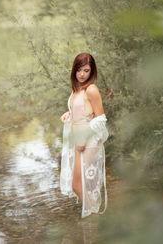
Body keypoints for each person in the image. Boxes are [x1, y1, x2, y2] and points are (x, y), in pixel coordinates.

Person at [60, 53, 109, 219]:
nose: (82, 74)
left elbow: (100, 118)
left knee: (81, 185)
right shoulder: (77, 89)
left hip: (88, 141)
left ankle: (95, 219)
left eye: (86, 70)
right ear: (74, 70)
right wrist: (69, 114)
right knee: (77, 185)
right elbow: (83, 111)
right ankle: (94, 218)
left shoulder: (92, 89)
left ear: (92, 71)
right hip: (78, 141)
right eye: (79, 70)